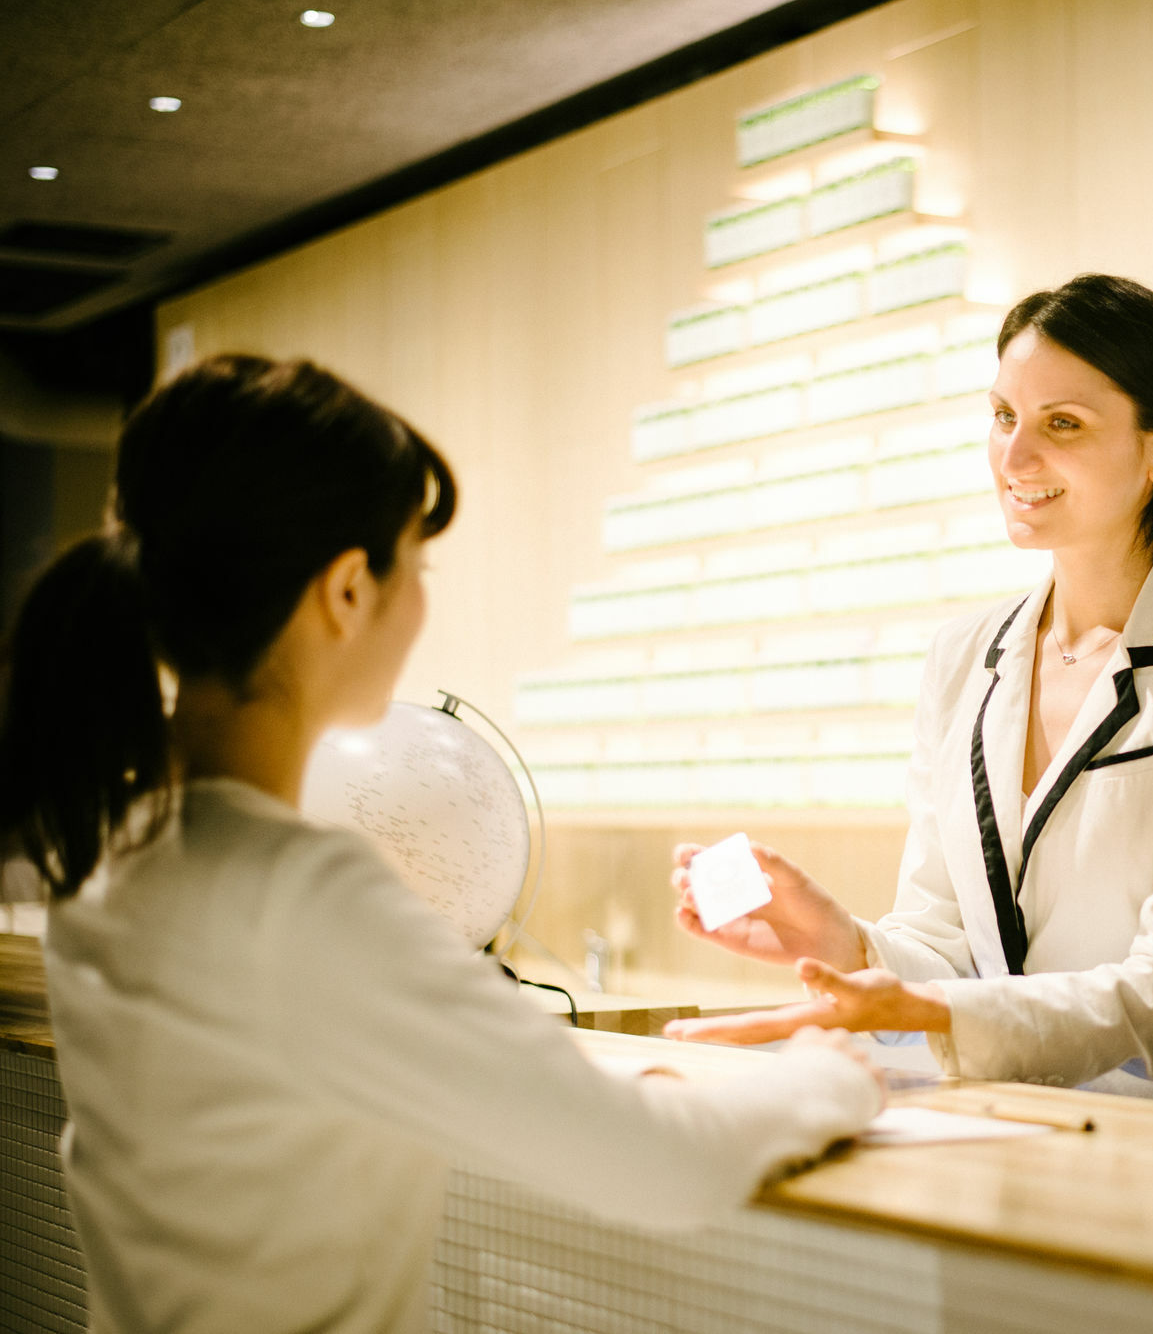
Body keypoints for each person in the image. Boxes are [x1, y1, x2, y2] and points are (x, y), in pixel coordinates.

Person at [0, 356, 883, 1333]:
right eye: (415, 566)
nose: (420, 601)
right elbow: (663, 1168)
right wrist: (826, 1077)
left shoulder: (112, 861)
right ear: (346, 591)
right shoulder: (302, 897)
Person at [663, 274, 1153, 1112]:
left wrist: (931, 1010)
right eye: (1004, 416)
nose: (1014, 459)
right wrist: (842, 938)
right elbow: (948, 941)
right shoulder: (962, 656)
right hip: (1013, 1128)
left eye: (1063, 425)